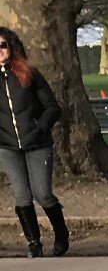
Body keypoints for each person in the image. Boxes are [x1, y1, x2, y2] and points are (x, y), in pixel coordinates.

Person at [0, 27, 67, 258]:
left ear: (12, 47)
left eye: (2, 45)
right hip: (7, 147)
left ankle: (61, 233)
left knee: (43, 193)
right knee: (22, 195)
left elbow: (52, 107)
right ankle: (33, 242)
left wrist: (40, 128)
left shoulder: (29, 74)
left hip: (37, 143)